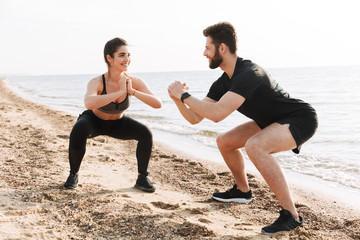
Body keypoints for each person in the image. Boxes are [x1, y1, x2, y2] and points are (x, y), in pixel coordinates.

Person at [167, 22, 318, 234]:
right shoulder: (223, 82)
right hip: (270, 120)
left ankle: (291, 215)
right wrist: (177, 99)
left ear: (222, 48)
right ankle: (242, 191)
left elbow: (218, 114)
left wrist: (184, 95)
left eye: (207, 48)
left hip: (299, 118)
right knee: (225, 142)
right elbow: (195, 117)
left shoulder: (249, 72)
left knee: (255, 146)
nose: (204, 53)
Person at [64, 37, 162, 193]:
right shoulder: (97, 82)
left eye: (128, 55)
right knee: (79, 128)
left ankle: (142, 178)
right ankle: (73, 175)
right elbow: (89, 103)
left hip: (118, 123)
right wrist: (119, 92)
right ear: (109, 58)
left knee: (145, 133)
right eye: (122, 55)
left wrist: (132, 92)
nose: (127, 59)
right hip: (94, 121)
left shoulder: (133, 82)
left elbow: (158, 103)